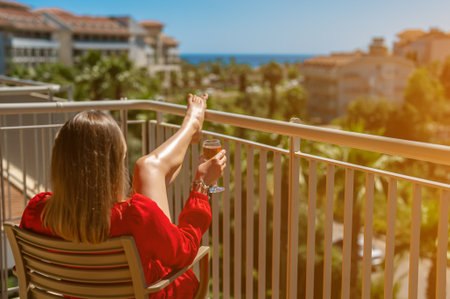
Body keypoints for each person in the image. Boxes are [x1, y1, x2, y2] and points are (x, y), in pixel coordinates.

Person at [20, 93, 227, 298]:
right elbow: (186, 250)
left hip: (81, 293)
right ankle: (191, 126)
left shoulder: (37, 212)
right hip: (149, 292)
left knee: (148, 170)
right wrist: (202, 184)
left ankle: (191, 127)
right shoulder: (136, 216)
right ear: (113, 165)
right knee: (148, 168)